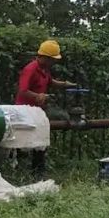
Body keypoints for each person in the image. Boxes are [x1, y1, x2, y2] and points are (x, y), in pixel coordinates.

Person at [15, 39, 76, 177]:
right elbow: (22, 91)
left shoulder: (44, 69)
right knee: (25, 141)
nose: (54, 62)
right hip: (25, 111)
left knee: (40, 139)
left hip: (38, 111)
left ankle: (38, 170)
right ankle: (24, 169)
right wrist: (39, 96)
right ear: (46, 57)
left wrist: (65, 84)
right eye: (53, 59)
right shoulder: (30, 69)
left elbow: (50, 82)